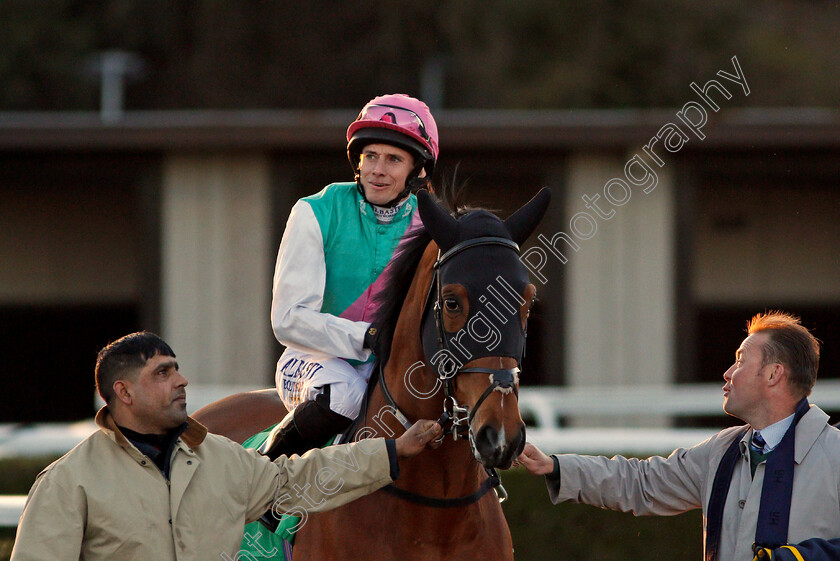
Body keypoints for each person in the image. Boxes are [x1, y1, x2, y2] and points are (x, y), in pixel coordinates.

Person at [10, 331, 441, 561]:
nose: (181, 381)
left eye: (177, 369)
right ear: (123, 392)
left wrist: (390, 452)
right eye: (162, 374)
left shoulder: (219, 458)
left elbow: (297, 479)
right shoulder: (68, 483)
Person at [517, 311, 840, 561]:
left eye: (740, 360)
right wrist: (555, 467)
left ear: (773, 374)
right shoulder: (722, 450)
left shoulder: (835, 453)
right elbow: (641, 482)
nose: (728, 373)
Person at [263, 93, 439, 459]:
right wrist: (367, 337)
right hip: (313, 362)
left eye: (393, 159)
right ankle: (262, 481)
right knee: (345, 394)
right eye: (370, 156)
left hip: (393, 366)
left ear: (418, 170)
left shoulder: (433, 225)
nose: (377, 169)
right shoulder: (314, 211)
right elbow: (287, 319)